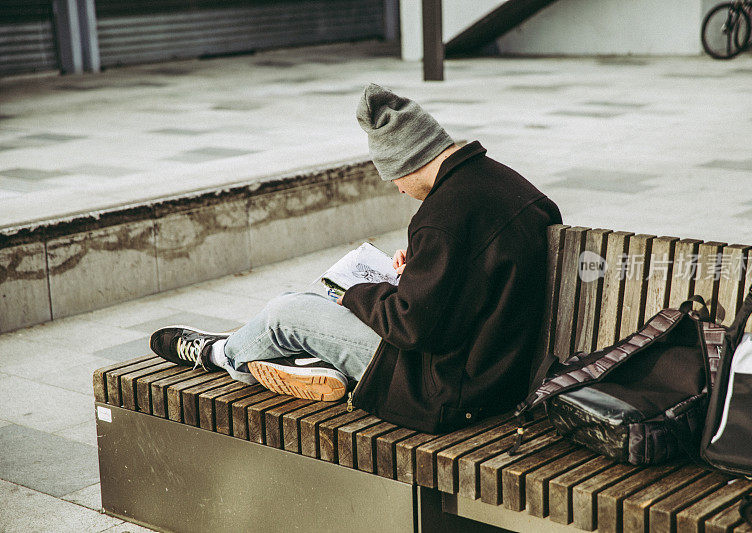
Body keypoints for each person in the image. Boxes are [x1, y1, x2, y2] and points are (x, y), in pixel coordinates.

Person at [149, 83, 562, 433]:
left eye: (393, 177)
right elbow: (484, 280)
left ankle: (218, 354)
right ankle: (297, 357)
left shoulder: (440, 219)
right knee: (306, 301)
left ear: (408, 161)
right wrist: (419, 269)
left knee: (285, 313)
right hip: (503, 369)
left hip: (447, 389)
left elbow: (411, 327)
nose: (399, 190)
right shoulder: (508, 184)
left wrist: (357, 292)